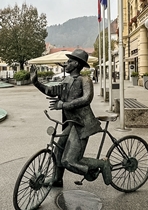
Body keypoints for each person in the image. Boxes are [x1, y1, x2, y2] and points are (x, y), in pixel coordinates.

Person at [30, 49, 112, 187]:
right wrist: (36, 82)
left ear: (76, 63)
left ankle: (102, 164)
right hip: (72, 123)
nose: (66, 64)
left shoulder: (85, 80)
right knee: (58, 151)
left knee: (69, 160)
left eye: (69, 62)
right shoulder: (66, 80)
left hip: (83, 124)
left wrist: (64, 104)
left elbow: (86, 99)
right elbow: (51, 91)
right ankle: (57, 179)